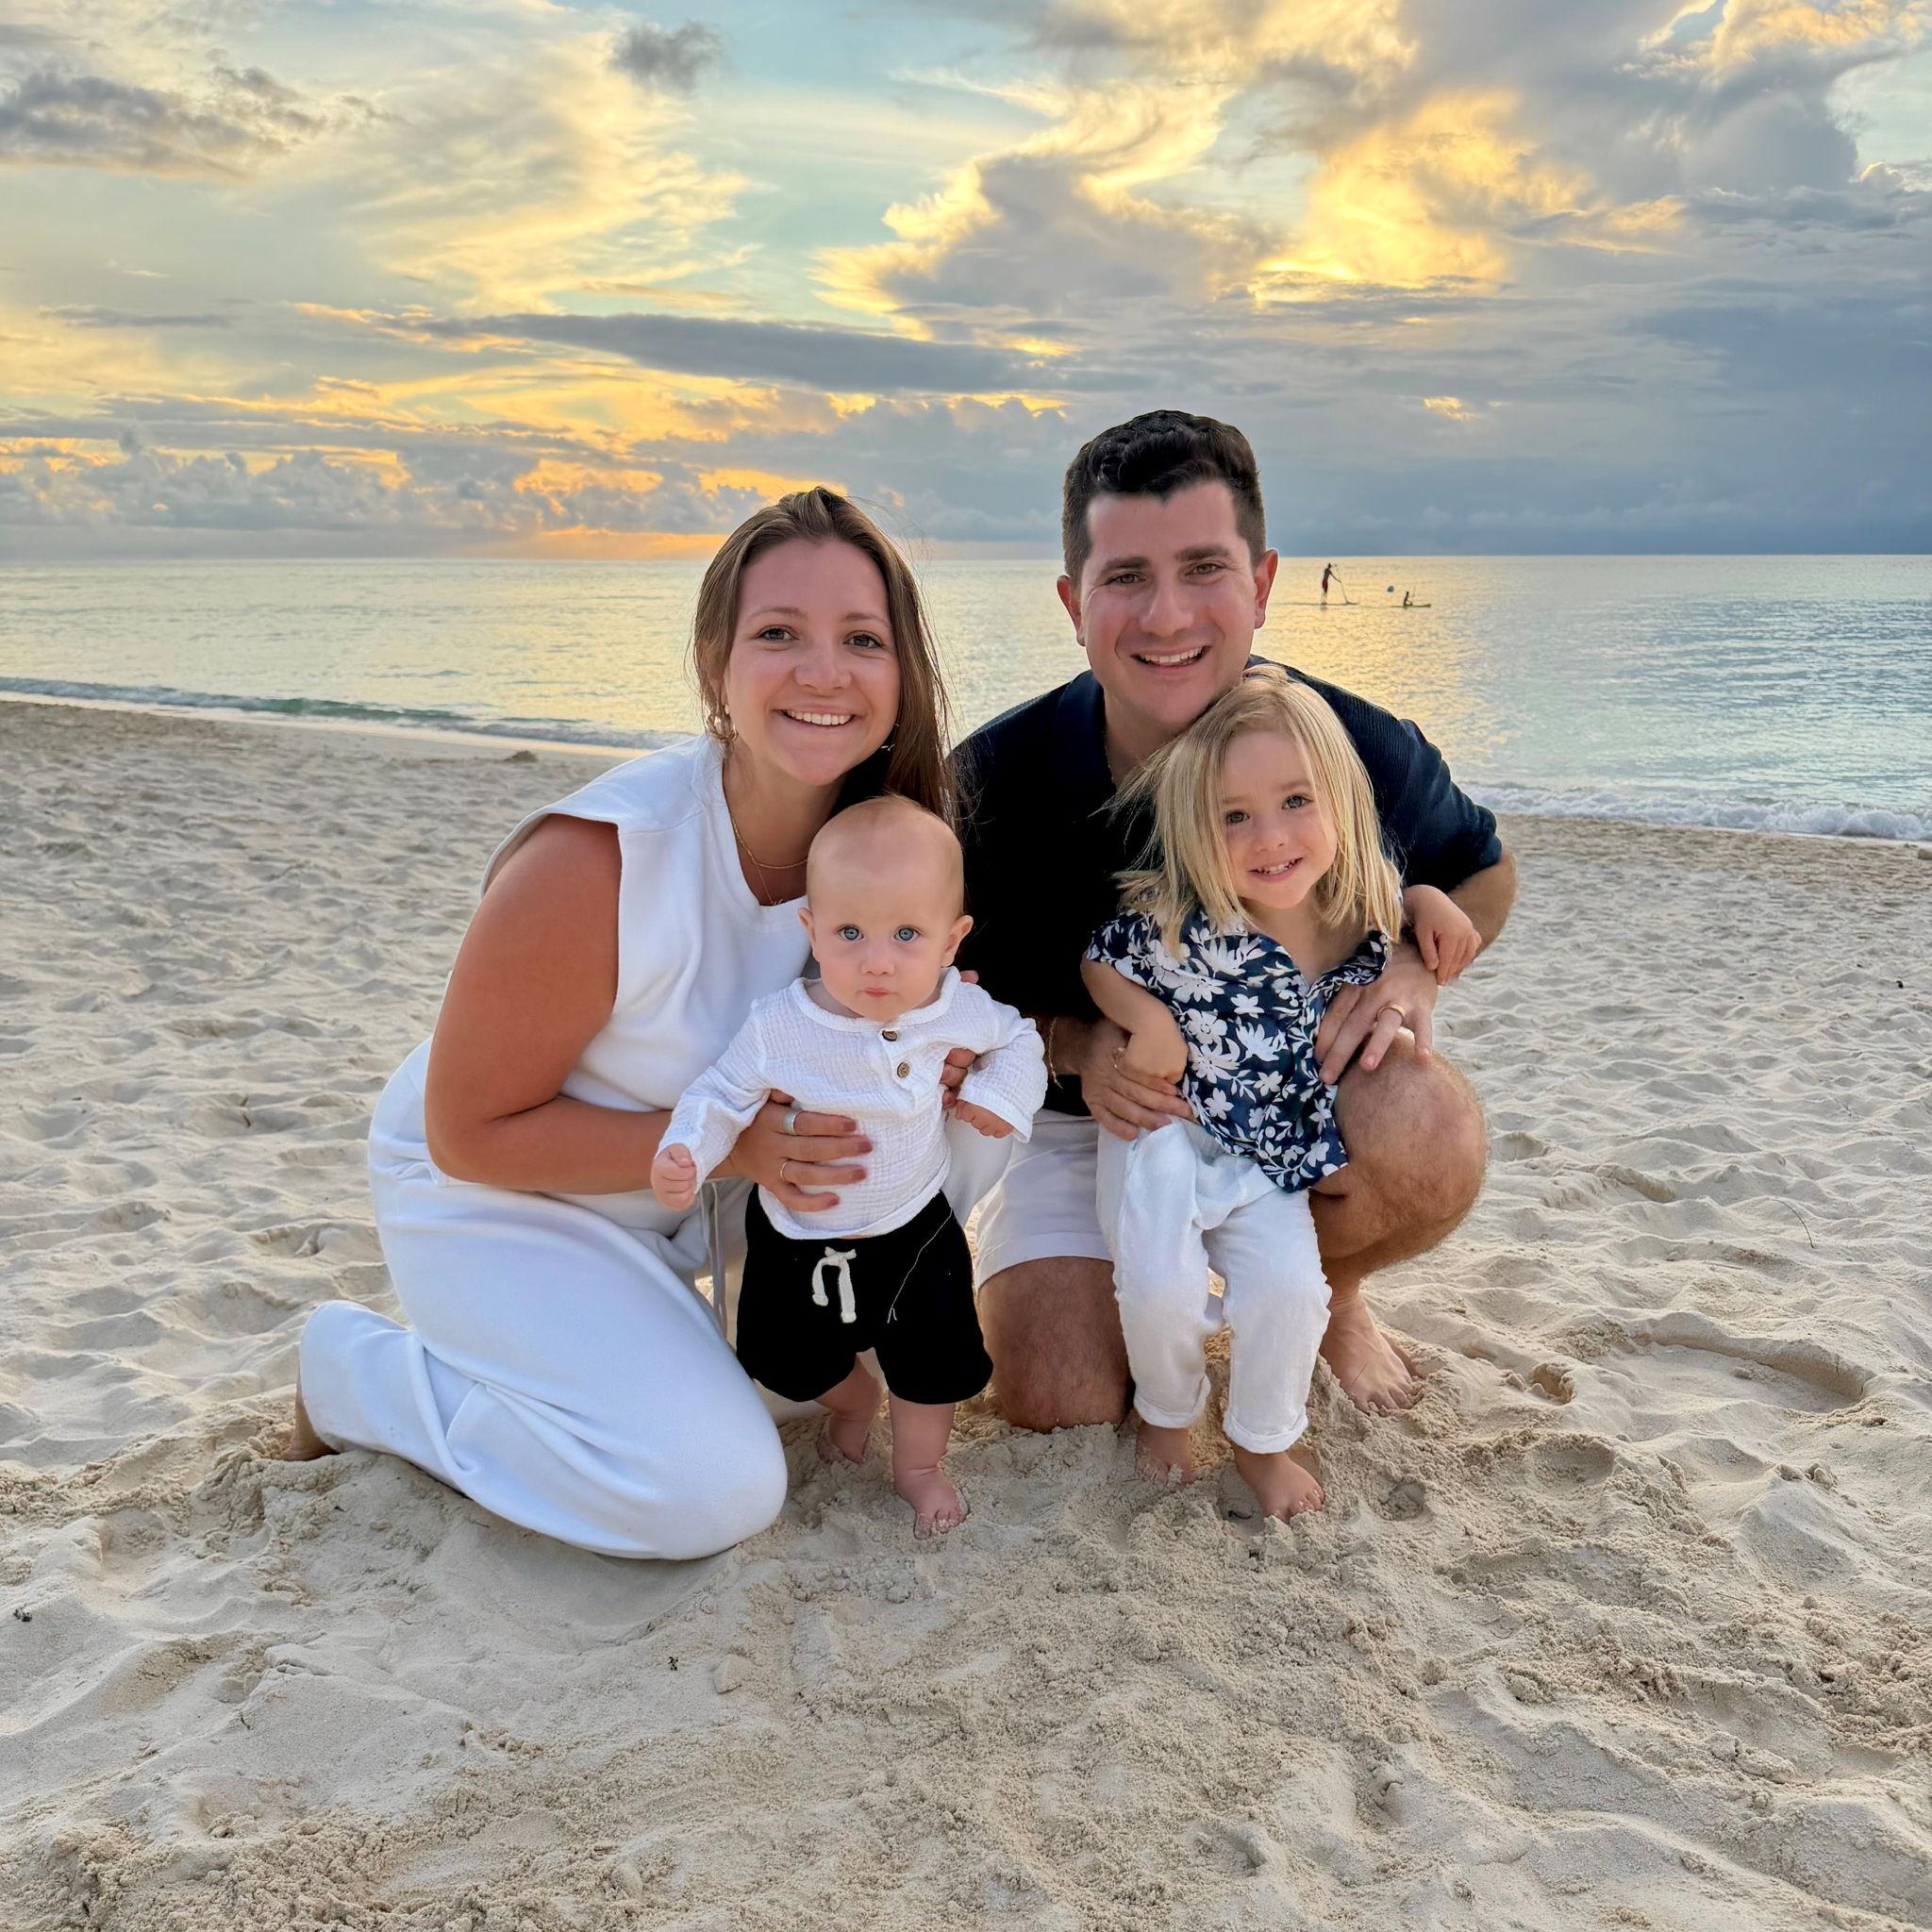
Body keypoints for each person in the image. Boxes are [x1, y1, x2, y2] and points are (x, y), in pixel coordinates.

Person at [285, 488, 972, 1561]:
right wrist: (735, 1147)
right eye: (778, 634)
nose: (824, 671)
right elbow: (467, 1132)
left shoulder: (887, 854)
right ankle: (356, 1375)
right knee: (713, 1492)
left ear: (902, 672)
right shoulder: (603, 855)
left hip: (691, 1203)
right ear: (713, 664)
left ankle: (654, 1346)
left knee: (957, 1134)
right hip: (503, 1198)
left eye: (861, 639)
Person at [954, 409, 1517, 1432]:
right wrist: (1074, 1041)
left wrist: (1409, 967)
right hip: (1096, 1120)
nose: (1166, 615)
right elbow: (924, 992)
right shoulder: (991, 783)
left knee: (1429, 1127)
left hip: (1285, 1089)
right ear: (1073, 603)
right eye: (1126, 576)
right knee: (1059, 1396)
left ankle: (1334, 1292)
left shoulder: (1336, 743)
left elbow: (1483, 869)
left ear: (1259, 583)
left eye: (1203, 568)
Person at [1081, 669, 1479, 1519]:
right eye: (1234, 816)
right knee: (1160, 1288)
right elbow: (1099, 962)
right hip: (1165, 1135)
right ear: (1198, 825)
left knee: (1292, 1292)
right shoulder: (1181, 917)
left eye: (1297, 801)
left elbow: (1407, 907)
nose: (1270, 838)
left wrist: (1428, 902)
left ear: (1339, 800)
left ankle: (1264, 1440)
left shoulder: (1363, 914)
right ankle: (1168, 1415)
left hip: (1270, 1156)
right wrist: (1145, 1020)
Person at [652, 796, 1045, 1535]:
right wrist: (689, 1150)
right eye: (850, 933)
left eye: (907, 934)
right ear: (812, 931)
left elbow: (1019, 1038)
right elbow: (720, 1094)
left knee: (932, 1364)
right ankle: (856, 1400)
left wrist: (999, 1094)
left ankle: (918, 1468)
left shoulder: (955, 1008)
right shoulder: (781, 1025)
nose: (877, 960)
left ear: (951, 940)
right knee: (784, 1359)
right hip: (797, 1234)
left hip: (913, 1228)